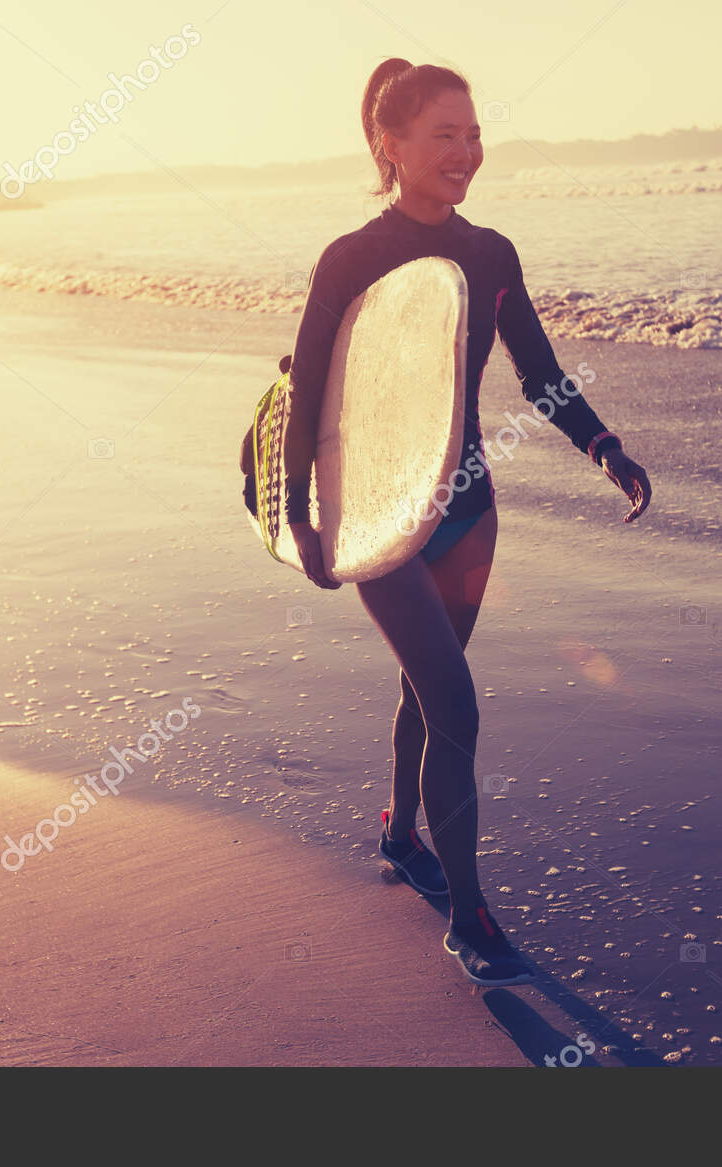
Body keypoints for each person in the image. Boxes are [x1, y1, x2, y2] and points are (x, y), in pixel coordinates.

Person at [276, 58, 651, 986]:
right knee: (457, 703)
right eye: (444, 135)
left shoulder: (491, 255)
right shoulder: (350, 260)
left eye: (474, 133)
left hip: (468, 509)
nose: (466, 151)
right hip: (373, 514)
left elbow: (540, 373)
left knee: (426, 692)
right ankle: (471, 918)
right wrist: (302, 516)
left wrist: (604, 446)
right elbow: (310, 395)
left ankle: (402, 833)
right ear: (390, 146)